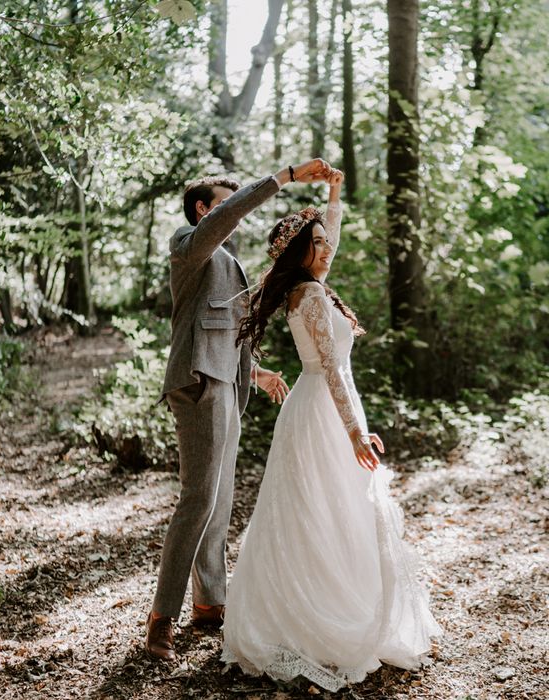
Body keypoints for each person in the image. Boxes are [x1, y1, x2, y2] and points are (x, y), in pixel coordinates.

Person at [221, 170, 441, 691]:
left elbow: (331, 238)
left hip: (314, 405)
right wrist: (355, 433)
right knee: (324, 507)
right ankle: (319, 614)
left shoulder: (308, 287)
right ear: (299, 253)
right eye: (316, 244)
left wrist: (334, 196)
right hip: (324, 409)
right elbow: (334, 370)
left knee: (329, 507)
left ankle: (328, 599)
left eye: (324, 242)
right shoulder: (314, 297)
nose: (326, 249)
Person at [145, 159, 334, 662]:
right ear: (204, 210)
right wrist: (285, 177)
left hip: (228, 383)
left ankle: (210, 603)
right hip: (199, 383)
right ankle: (161, 618)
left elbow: (225, 330)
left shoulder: (231, 262)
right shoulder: (190, 246)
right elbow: (225, 223)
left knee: (220, 500)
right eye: (224, 205)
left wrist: (256, 373)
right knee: (198, 498)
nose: (235, 215)